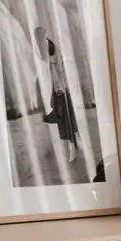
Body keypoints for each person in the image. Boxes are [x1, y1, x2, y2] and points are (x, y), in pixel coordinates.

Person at [34, 26, 80, 163]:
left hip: (59, 90)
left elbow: (55, 68)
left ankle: (72, 147)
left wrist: (60, 87)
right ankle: (74, 144)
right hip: (56, 90)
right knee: (65, 119)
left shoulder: (49, 47)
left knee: (64, 121)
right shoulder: (43, 48)